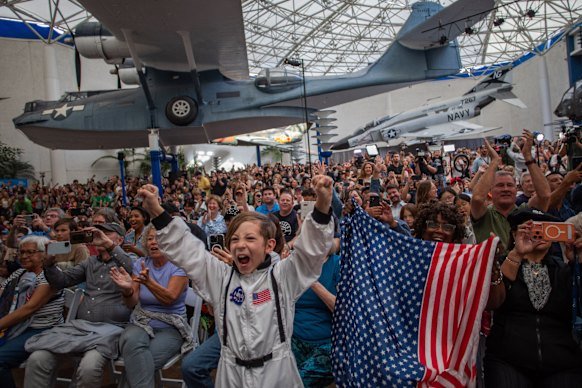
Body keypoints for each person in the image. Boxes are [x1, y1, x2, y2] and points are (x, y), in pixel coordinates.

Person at [137, 174, 334, 387]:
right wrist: (155, 210)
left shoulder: (282, 276)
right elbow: (187, 250)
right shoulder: (220, 277)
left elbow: (310, 251)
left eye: (250, 238)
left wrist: (323, 204)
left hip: (276, 373)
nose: (240, 245)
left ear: (268, 246)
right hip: (231, 374)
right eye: (235, 239)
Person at [24, 223, 133, 388]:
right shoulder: (90, 262)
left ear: (120, 239)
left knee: (88, 368)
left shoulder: (129, 260)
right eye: (99, 233)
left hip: (112, 329)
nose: (100, 236)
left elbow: (132, 268)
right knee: (37, 358)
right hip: (80, 328)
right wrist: (49, 264)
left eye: (107, 233)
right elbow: (62, 281)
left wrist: (109, 245)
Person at [484, 208, 582, 387]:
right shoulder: (499, 263)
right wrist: (516, 254)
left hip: (562, 361)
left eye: (544, 228)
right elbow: (493, 301)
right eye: (530, 229)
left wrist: (578, 265)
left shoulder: (565, 270)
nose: (537, 233)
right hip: (508, 360)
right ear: (515, 233)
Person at [110, 226, 190, 388]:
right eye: (150, 238)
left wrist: (148, 282)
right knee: (132, 343)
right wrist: (126, 290)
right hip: (141, 322)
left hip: (171, 327)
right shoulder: (140, 264)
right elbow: (131, 303)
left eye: (159, 238)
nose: (153, 242)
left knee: (137, 364)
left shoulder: (179, 266)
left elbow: (170, 298)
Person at [0, 236, 64, 388]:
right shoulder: (20, 273)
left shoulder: (51, 275)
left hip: (40, 329)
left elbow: (29, 308)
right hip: (16, 327)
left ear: (44, 254)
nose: (24, 256)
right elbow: (2, 295)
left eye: (30, 252)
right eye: (21, 252)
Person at [471, 132, 550, 251]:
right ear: (490, 190)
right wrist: (495, 162)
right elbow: (477, 198)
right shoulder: (484, 214)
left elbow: (544, 196)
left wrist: (528, 157)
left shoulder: (524, 212)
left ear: (516, 189)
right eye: (500, 185)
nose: (506, 189)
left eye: (509, 185)